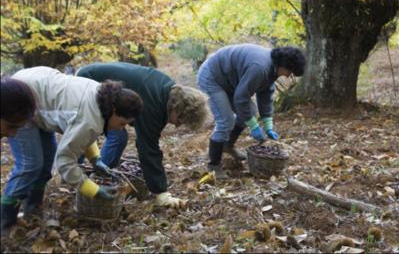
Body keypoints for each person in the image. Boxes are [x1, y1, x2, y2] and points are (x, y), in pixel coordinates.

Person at [1, 67, 143, 236]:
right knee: (31, 165)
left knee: (46, 162)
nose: (121, 128)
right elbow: (66, 161)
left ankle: (32, 210)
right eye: (121, 123)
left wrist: (95, 158)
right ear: (114, 111)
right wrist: (94, 190)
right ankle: (6, 220)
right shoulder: (93, 118)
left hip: (39, 90)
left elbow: (80, 134)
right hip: (20, 99)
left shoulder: (103, 97)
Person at [77, 62, 208, 209]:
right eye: (180, 120)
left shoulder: (166, 90)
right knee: (114, 137)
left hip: (93, 77)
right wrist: (161, 192)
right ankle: (85, 177)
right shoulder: (154, 105)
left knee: (118, 137)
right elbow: (148, 149)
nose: (177, 125)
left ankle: (96, 176)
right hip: (88, 81)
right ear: (177, 108)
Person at [197, 43, 306, 179]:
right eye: (290, 72)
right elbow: (241, 98)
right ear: (284, 65)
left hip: (230, 81)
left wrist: (268, 126)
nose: (289, 76)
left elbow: (265, 94)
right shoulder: (260, 67)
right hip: (212, 77)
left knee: (251, 111)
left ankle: (228, 145)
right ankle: (214, 166)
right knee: (226, 121)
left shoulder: (273, 67)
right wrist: (254, 126)